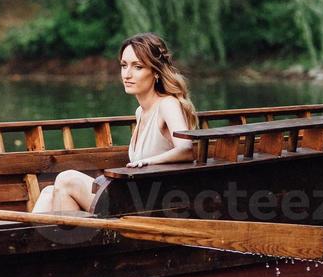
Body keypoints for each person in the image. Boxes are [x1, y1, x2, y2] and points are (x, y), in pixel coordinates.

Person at [32, 32, 198, 214]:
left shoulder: (168, 104)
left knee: (66, 179)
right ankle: (34, 240)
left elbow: (186, 149)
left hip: (155, 205)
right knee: (49, 192)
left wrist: (146, 162)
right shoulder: (140, 112)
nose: (127, 74)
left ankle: (71, 240)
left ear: (156, 72)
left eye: (138, 67)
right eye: (124, 65)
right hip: (137, 197)